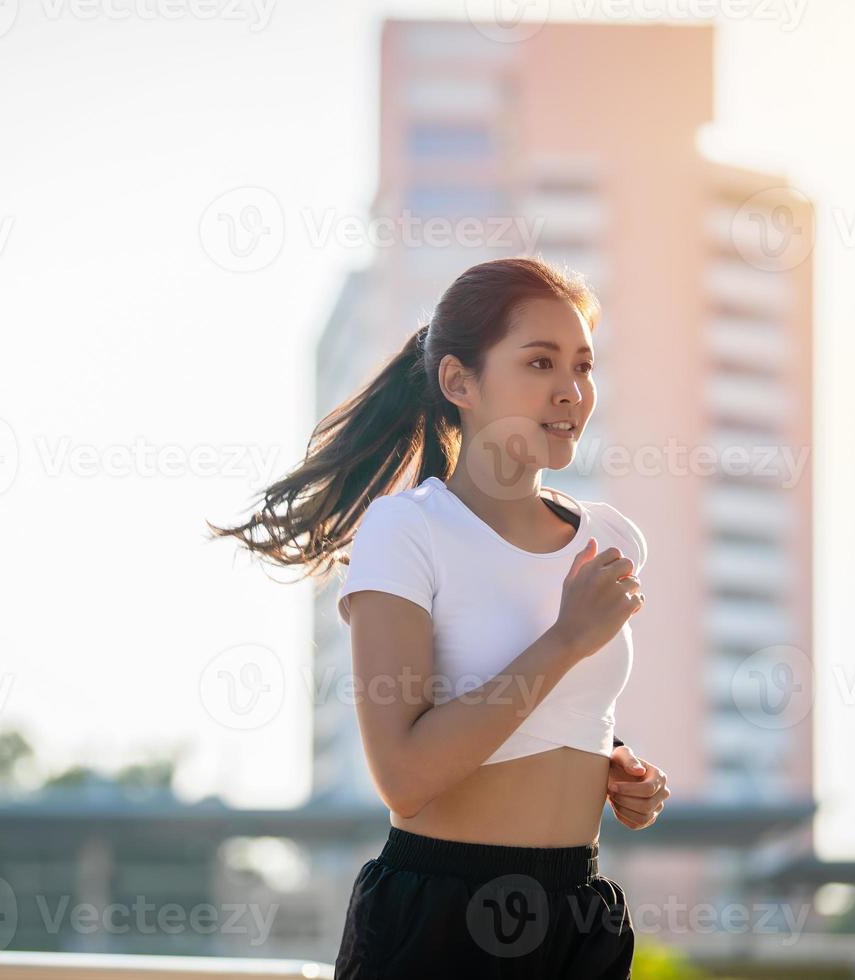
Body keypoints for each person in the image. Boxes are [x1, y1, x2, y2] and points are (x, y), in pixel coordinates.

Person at [207, 256, 671, 977]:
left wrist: (616, 769)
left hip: (580, 918)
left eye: (583, 365)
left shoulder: (612, 537)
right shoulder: (406, 531)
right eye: (540, 363)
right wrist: (568, 639)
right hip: (440, 918)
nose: (572, 392)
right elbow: (406, 774)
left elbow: (557, 710)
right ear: (460, 381)